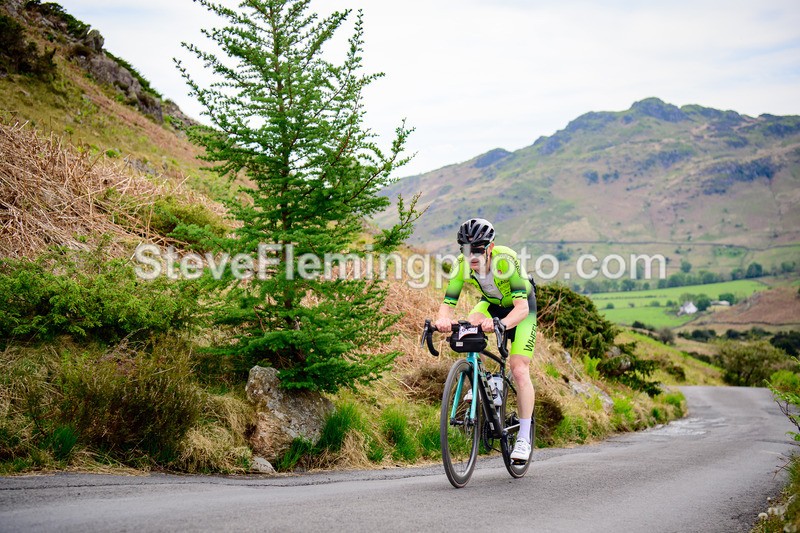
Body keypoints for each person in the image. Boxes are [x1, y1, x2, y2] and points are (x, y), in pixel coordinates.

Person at [435, 217, 537, 462]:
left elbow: (521, 308)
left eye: (478, 250)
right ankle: (486, 381)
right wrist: (442, 321)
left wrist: (501, 324)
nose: (472, 256)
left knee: (519, 368)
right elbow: (448, 303)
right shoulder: (462, 265)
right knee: (469, 328)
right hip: (491, 304)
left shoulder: (505, 261)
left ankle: (523, 438)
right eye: (467, 250)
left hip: (521, 309)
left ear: (490, 248)